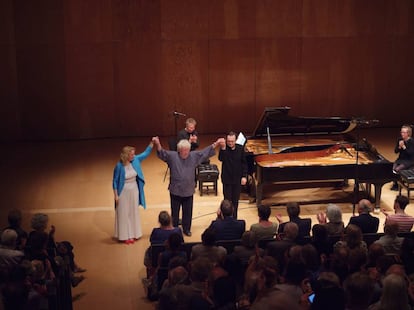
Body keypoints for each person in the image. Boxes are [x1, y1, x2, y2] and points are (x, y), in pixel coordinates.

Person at [153, 136, 224, 236]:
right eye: (183, 150)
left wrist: (216, 143)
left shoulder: (193, 156)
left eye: (187, 150)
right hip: (175, 190)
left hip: (188, 190)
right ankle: (175, 229)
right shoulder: (173, 156)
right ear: (179, 150)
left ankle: (186, 229)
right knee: (175, 213)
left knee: (188, 212)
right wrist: (157, 143)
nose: (185, 152)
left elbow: (204, 152)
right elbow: (162, 153)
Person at [112, 140, 154, 244]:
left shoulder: (135, 160)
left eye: (134, 154)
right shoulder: (119, 166)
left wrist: (152, 143)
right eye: (131, 154)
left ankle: (134, 234)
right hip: (123, 191)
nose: (133, 156)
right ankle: (125, 236)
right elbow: (115, 181)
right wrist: (116, 195)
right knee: (124, 212)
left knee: (133, 211)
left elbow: (145, 154)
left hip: (134, 189)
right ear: (126, 155)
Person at [218, 131, 248, 219]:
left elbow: (244, 164)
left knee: (235, 201)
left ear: (236, 140)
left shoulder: (240, 148)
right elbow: (221, 158)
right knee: (227, 201)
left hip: (237, 179)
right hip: (227, 179)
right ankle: (226, 219)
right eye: (229, 141)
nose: (230, 143)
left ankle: (234, 219)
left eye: (232, 141)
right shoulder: (224, 148)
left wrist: (244, 176)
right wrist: (223, 148)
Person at [391, 125, 414, 190]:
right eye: (401, 132)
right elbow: (395, 151)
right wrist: (399, 147)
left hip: (409, 161)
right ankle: (395, 184)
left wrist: (404, 147)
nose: (402, 134)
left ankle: (399, 184)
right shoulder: (399, 139)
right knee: (393, 169)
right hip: (401, 159)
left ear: (408, 133)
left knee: (397, 169)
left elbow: (410, 154)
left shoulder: (412, 142)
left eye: (404, 132)